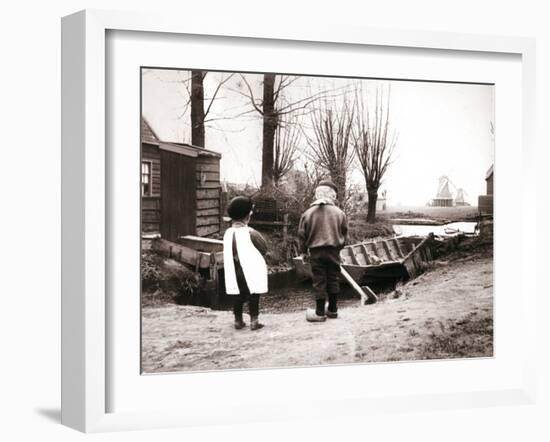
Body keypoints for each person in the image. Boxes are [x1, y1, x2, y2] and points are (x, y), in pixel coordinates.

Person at [297, 180, 348, 322]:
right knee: (333, 279)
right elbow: (345, 234)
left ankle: (319, 313)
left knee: (319, 281)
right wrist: (339, 248)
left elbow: (302, 235)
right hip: (333, 251)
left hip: (315, 252)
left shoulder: (307, 214)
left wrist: (303, 252)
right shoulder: (340, 213)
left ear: (316, 195)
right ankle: (333, 310)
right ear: (333, 196)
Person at [223, 196, 269, 330]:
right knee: (253, 293)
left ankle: (238, 320)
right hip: (250, 270)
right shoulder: (251, 233)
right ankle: (254, 320)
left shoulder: (228, 233)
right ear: (247, 216)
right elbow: (263, 247)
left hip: (235, 269)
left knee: (238, 295)